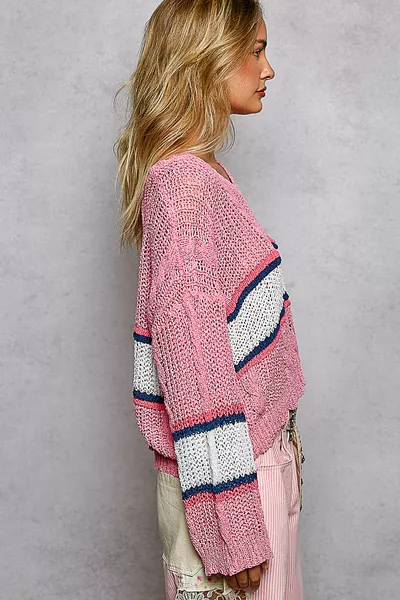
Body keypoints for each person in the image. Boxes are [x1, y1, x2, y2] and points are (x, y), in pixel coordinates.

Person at [114, 1, 306, 599]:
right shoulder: (182, 185)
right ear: (209, 59)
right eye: (257, 50)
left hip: (250, 468)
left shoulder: (200, 173)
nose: (268, 69)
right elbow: (193, 365)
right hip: (232, 490)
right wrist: (232, 528)